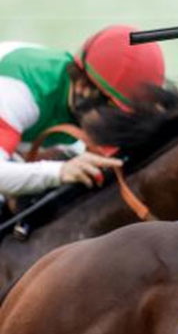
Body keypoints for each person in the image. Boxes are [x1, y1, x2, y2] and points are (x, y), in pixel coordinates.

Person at [0, 25, 165, 205]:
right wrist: (60, 171)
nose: (117, 124)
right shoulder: (18, 94)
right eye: (114, 111)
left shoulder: (77, 94)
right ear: (83, 86)